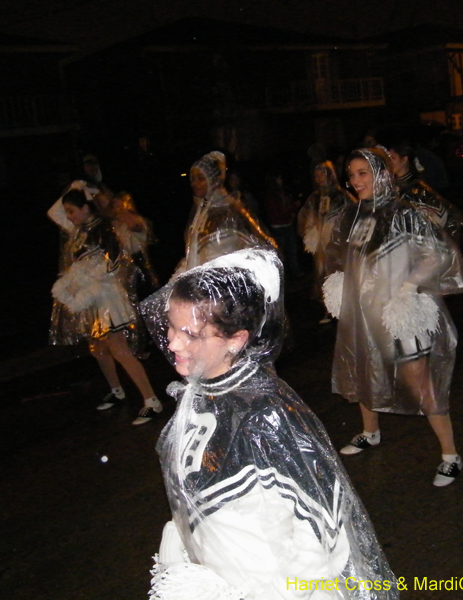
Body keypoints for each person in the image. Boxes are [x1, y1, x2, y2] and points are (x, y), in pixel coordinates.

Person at [140, 249, 399, 599]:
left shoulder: (264, 412)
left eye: (192, 334)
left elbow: (321, 525)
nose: (173, 342)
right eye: (171, 326)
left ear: (236, 340)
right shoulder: (198, 392)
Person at [327, 147, 463, 487]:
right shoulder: (355, 214)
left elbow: (437, 255)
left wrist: (407, 289)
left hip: (398, 313)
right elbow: (347, 257)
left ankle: (451, 455)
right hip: (365, 311)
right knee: (365, 368)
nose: (355, 180)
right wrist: (342, 282)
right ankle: (370, 432)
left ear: (380, 174)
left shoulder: (404, 212)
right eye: (352, 174)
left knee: (419, 381)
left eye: (363, 173)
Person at [48, 182, 163, 426]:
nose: (69, 216)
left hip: (107, 298)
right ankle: (117, 390)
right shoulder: (79, 230)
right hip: (92, 299)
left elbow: (113, 266)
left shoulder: (105, 229)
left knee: (119, 349)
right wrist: (74, 188)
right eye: (68, 212)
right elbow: (53, 213)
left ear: (86, 208)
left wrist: (82, 282)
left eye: (72, 210)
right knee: (98, 349)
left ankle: (152, 400)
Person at [175, 151, 276, 277]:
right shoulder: (200, 209)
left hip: (223, 276)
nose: (194, 184)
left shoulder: (231, 207)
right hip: (201, 274)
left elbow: (259, 238)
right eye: (192, 179)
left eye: (201, 179)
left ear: (213, 180)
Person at [296, 161, 357, 323]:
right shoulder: (315, 197)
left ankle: (345, 309)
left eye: (322, 174)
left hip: (337, 246)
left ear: (330, 175)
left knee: (338, 275)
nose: (319, 178)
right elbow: (305, 216)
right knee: (322, 275)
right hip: (321, 248)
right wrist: (311, 232)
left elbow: (355, 216)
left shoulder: (342, 196)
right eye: (316, 175)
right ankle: (328, 309)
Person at [387, 140, 463, 244]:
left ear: (404, 159)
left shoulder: (418, 188)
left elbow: (445, 217)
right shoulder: (390, 184)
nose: (389, 162)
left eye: (392, 158)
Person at [263, 173, 303, 279]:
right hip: (278, 227)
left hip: (288, 225)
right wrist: (290, 210)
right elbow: (276, 212)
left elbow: (287, 205)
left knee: (292, 250)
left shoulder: (283, 192)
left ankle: (294, 271)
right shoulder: (271, 195)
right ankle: (281, 275)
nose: (281, 180)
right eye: (279, 178)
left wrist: (293, 208)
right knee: (281, 253)